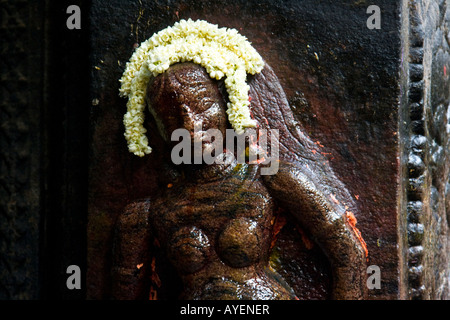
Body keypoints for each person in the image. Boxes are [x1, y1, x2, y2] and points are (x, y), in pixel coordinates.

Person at [112, 62, 367, 300]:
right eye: (171, 117)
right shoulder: (147, 214)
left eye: (202, 105)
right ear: (157, 129)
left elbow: (347, 254)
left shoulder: (271, 180)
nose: (191, 125)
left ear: (228, 104)